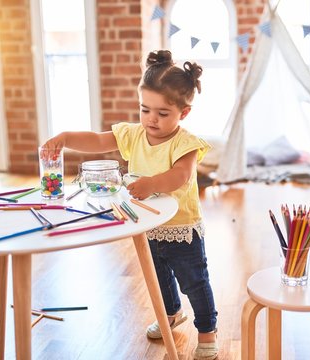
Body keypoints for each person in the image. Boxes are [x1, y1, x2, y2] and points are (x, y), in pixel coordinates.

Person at [40, 50, 218, 360]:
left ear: (183, 113)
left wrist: (152, 184)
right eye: (145, 109)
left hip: (181, 229)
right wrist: (67, 137)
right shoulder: (134, 135)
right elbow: (97, 141)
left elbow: (181, 175)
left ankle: (207, 332)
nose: (152, 119)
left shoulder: (185, 143)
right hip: (147, 226)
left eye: (163, 113)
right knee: (159, 279)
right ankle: (171, 314)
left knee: (195, 282)